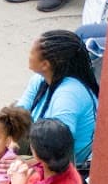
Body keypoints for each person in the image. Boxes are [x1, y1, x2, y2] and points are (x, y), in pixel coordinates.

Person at [20, 29, 100, 166]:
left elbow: (58, 150)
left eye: (31, 52)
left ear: (45, 64)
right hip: (39, 147)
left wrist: (21, 162)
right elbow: (19, 112)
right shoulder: (40, 79)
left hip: (61, 163)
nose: (28, 55)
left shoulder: (68, 96)